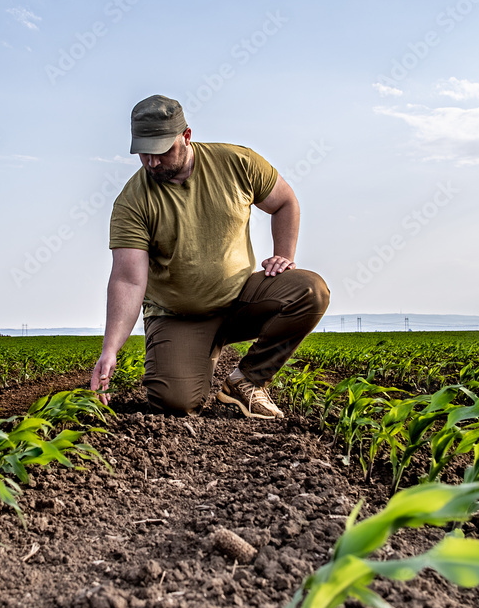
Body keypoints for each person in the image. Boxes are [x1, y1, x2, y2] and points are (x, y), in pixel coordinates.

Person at [90, 95, 330, 419]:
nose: (152, 162)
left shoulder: (237, 163)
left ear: (186, 136)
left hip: (240, 300)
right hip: (179, 316)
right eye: (143, 153)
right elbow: (128, 279)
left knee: (310, 292)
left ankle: (246, 381)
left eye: (161, 151)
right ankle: (197, 351)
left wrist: (283, 255)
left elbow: (285, 202)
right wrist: (110, 349)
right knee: (173, 404)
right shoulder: (132, 202)